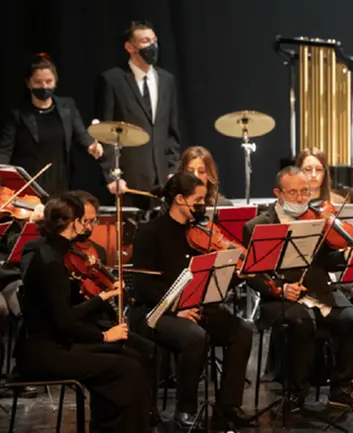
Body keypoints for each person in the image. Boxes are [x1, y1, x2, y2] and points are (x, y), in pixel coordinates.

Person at [128, 172, 254, 430]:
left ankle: (227, 407)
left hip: (196, 306)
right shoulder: (150, 233)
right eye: (198, 200)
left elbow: (213, 283)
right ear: (179, 200)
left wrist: (234, 274)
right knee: (195, 337)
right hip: (156, 312)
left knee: (242, 331)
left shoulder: (200, 233)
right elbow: (143, 287)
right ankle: (185, 411)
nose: (203, 205)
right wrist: (177, 308)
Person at [16, 194, 151, 432]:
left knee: (131, 358)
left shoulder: (54, 251)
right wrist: (103, 337)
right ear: (75, 223)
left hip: (57, 343)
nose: (88, 227)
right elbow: (64, 321)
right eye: (85, 221)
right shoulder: (50, 260)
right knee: (127, 368)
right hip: (45, 353)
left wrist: (102, 299)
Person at [242, 166, 353, 411]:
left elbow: (327, 261)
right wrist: (280, 288)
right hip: (279, 296)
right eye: (293, 193)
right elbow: (253, 274)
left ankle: (341, 388)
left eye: (305, 192)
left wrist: (345, 255)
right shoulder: (257, 226)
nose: (301, 199)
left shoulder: (317, 219)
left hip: (319, 290)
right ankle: (296, 392)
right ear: (277, 193)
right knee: (302, 322)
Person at [95, 20, 181, 210]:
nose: (152, 46)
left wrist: (172, 169)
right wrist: (112, 176)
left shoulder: (166, 80)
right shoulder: (112, 80)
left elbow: (171, 131)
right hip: (128, 181)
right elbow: (106, 134)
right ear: (129, 46)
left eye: (154, 41)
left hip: (161, 181)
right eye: (145, 41)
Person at [0, 53, 104, 196]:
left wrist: (92, 146)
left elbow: (81, 137)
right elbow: (5, 151)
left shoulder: (68, 107)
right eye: (38, 82)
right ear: (28, 83)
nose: (44, 86)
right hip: (27, 187)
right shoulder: (17, 114)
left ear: (55, 81)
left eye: (49, 81)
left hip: (60, 184)